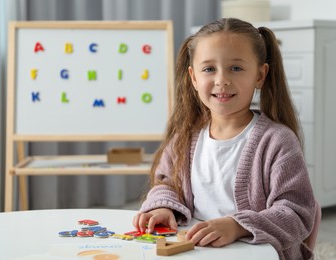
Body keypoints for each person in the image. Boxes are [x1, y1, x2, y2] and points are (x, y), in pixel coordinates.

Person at [133, 18, 316, 259]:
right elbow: (167, 184)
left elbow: (297, 214)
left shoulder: (278, 141)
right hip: (198, 251)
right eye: (209, 69)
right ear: (194, 78)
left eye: (236, 68)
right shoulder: (183, 139)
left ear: (260, 75)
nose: (222, 80)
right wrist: (163, 206)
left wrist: (238, 226)